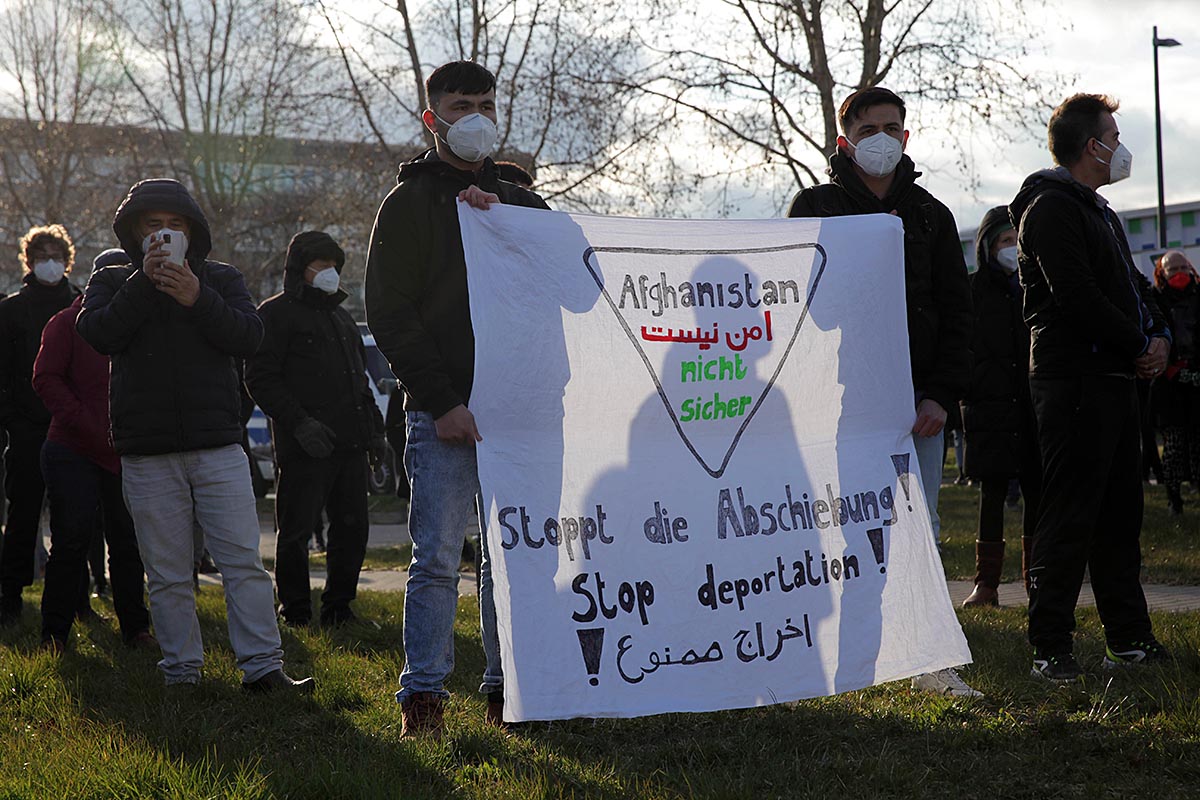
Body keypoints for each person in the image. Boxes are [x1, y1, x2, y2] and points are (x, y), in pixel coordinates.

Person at [365, 60, 549, 738]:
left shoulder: (520, 202)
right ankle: (425, 698)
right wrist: (442, 401)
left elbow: (574, 279)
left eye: (484, 104)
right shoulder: (409, 204)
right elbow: (390, 311)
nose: (475, 115)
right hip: (442, 415)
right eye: (460, 104)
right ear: (431, 116)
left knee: (509, 557)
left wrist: (507, 221)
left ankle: (507, 690)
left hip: (516, 414)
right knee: (438, 558)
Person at [77, 178, 312, 693]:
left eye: (175, 227)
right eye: (153, 227)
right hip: (146, 450)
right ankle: (181, 673)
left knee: (242, 564)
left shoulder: (221, 278)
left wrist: (196, 296)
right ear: (134, 234)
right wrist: (145, 282)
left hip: (218, 446)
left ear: (193, 232)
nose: (163, 235)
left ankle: (263, 669)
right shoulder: (112, 278)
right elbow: (97, 334)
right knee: (166, 572)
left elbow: (250, 336)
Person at [787, 87, 978, 698]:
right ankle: (848, 656)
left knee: (914, 533)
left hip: (915, 411)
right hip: (836, 405)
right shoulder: (814, 206)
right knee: (842, 528)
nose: (882, 139)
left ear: (906, 136)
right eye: (869, 129)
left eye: (892, 127)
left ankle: (926, 661)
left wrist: (940, 396)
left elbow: (957, 313)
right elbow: (794, 300)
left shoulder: (932, 214)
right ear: (844, 139)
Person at [1010, 93, 1173, 681]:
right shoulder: (1050, 209)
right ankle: (1048, 646)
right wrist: (1137, 344)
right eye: (1113, 133)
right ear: (1090, 146)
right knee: (1070, 514)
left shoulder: (1099, 211)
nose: (1120, 146)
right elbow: (1077, 297)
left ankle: (1127, 638)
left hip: (1113, 380)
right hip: (1073, 379)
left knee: (1119, 514)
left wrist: (1158, 336)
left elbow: (1133, 288)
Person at [246, 231, 386, 628]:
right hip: (304, 446)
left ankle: (339, 608)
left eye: (333, 266)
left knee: (352, 529)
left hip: (350, 443)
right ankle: (294, 611)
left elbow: (359, 382)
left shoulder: (341, 318)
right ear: (299, 270)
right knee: (296, 532)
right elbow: (260, 377)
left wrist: (374, 430)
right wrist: (299, 423)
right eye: (321, 265)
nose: (330, 273)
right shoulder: (274, 314)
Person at [33, 248, 154, 652]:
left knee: (127, 543)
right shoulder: (67, 323)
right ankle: (55, 633)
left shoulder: (142, 322)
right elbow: (46, 378)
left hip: (124, 451)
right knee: (70, 542)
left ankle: (136, 629)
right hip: (71, 449)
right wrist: (84, 422)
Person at [959, 207, 1042, 606]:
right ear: (988, 247)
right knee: (991, 494)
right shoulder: (972, 291)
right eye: (1003, 242)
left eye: (1015, 241)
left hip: (1032, 405)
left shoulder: (1034, 286)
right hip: (989, 408)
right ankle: (986, 583)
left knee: (1036, 492)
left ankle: (1035, 578)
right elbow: (962, 345)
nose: (1010, 248)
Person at [0, 224, 81, 627]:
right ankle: (10, 598)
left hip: (73, 429)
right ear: (28, 262)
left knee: (76, 522)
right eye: (40, 256)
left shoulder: (82, 306)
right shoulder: (11, 310)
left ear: (67, 261)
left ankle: (78, 601)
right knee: (22, 518)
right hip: (29, 430)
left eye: (55, 256)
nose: (48, 264)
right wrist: (13, 419)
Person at [1149, 250, 1200, 516]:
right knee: (1174, 445)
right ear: (1163, 273)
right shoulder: (1156, 302)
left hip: (1196, 382)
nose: (1179, 273)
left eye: (1183, 267)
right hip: (1169, 386)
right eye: (1173, 269)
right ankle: (1174, 499)